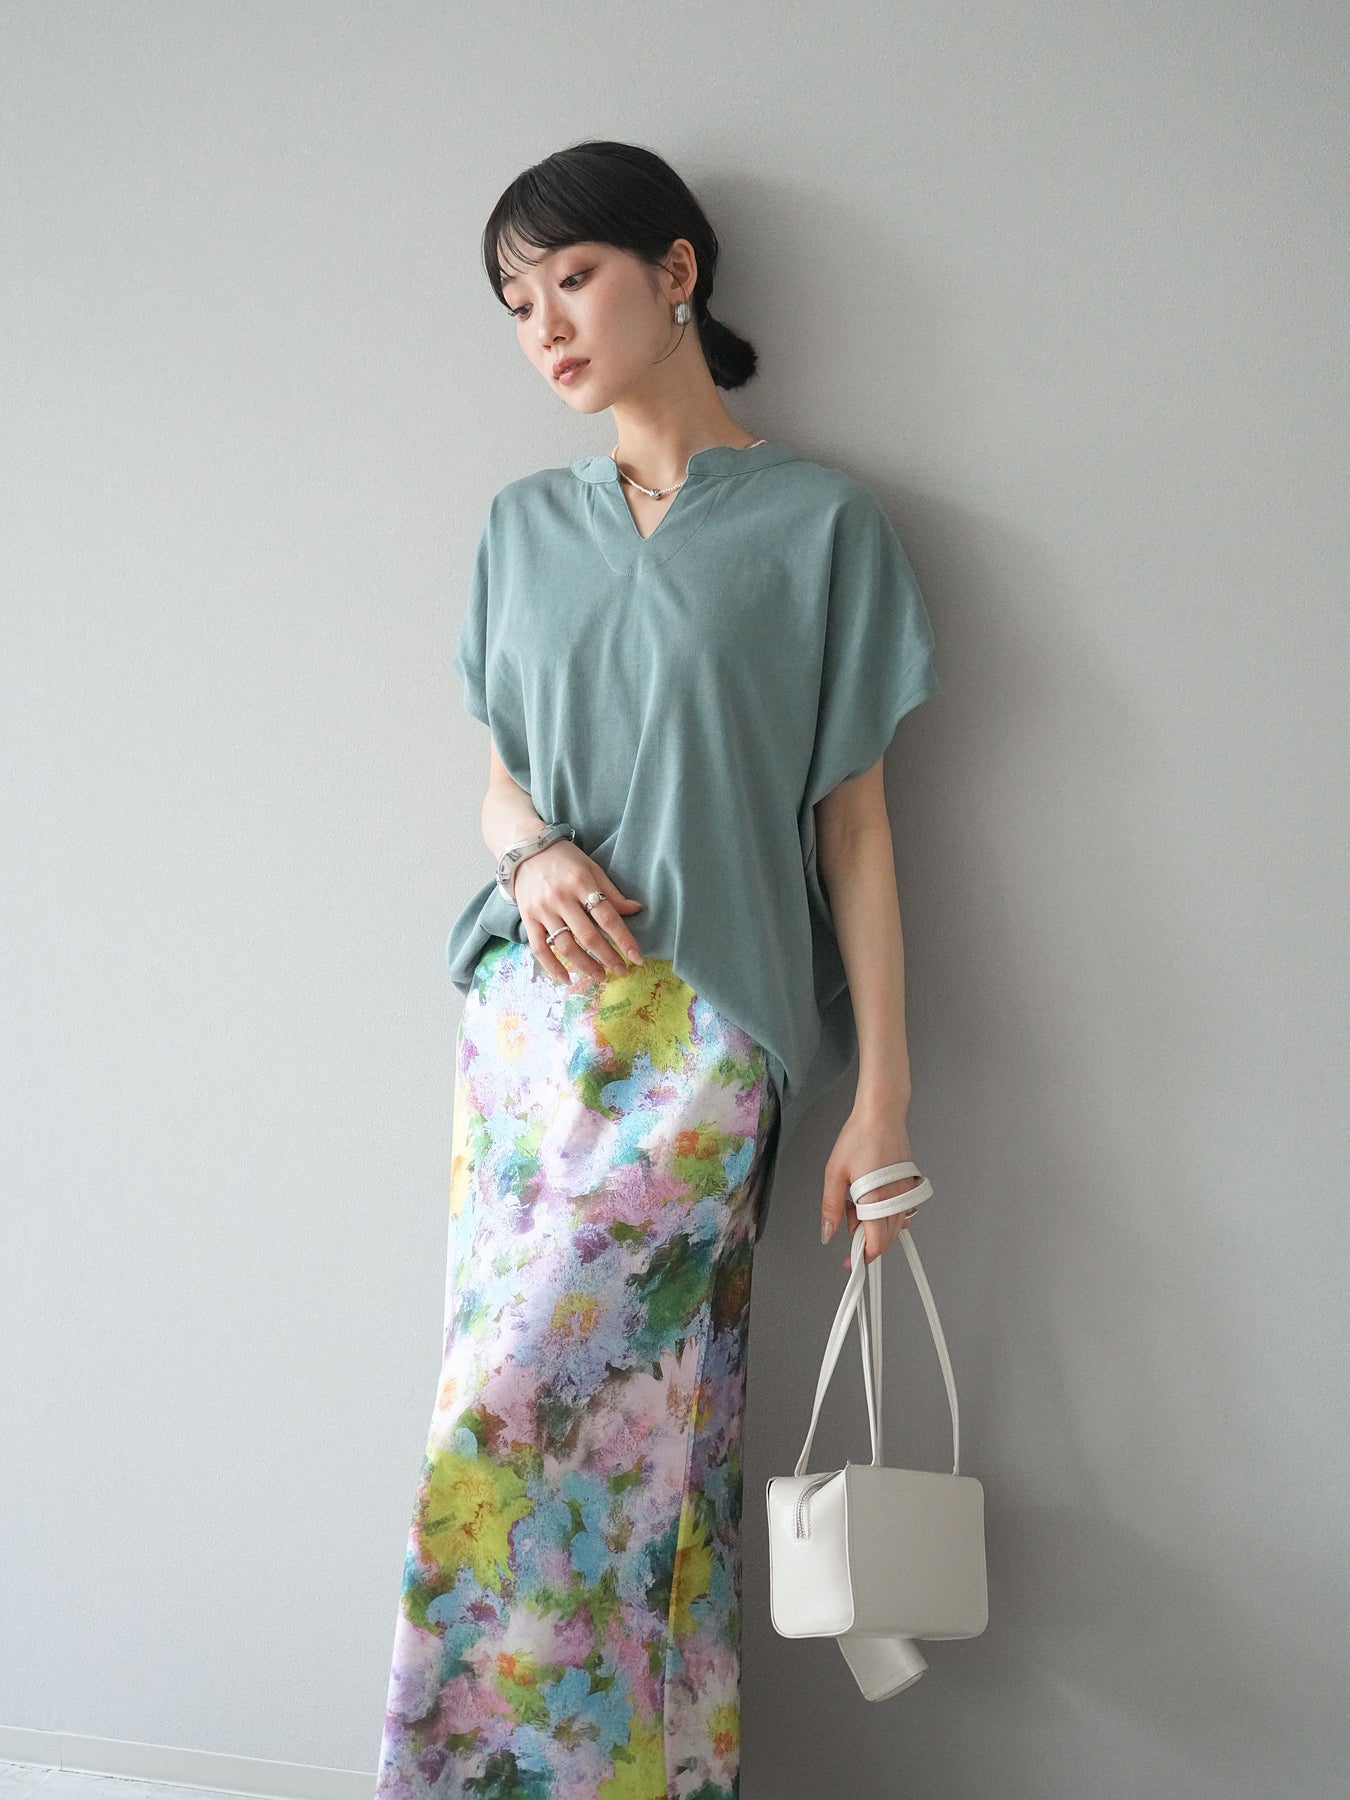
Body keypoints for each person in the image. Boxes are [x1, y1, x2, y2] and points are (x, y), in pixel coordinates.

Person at [374, 139, 939, 1800]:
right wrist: (528, 854)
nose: (543, 326)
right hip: (525, 1021)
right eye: (514, 302)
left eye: (572, 278)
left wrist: (883, 1096)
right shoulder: (520, 526)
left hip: (709, 1034)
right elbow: (503, 779)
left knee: (554, 1415)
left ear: (675, 272)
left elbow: (854, 828)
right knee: (631, 1439)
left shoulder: (821, 525)